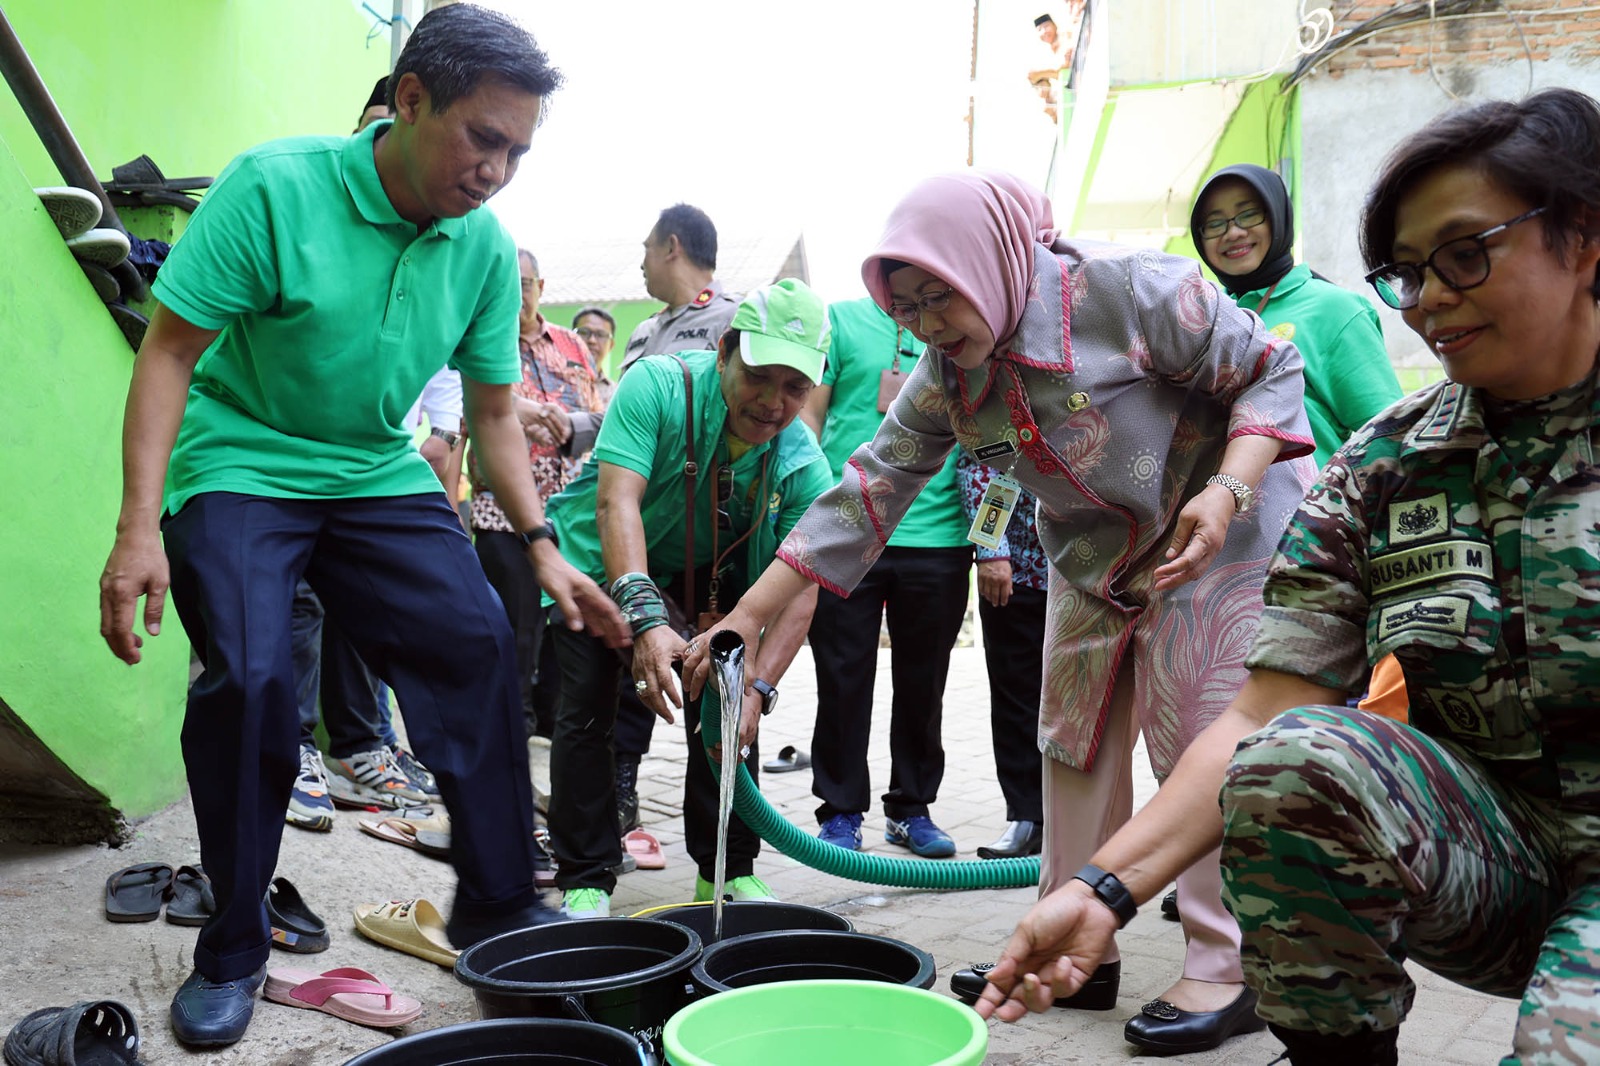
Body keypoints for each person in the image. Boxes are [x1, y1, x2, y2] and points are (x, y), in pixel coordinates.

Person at [970, 87, 1600, 1066]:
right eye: (1406, 272)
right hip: (1496, 863)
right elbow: (1257, 713)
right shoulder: (1388, 464)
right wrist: (1099, 890)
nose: (1430, 298)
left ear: (1583, 239)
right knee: (1291, 759)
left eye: (1466, 254)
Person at [685, 170, 1314, 1057]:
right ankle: (1073, 943)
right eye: (905, 308)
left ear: (986, 262)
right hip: (1095, 555)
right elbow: (870, 486)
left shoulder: (1128, 291)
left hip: (1221, 532)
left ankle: (1225, 962)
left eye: (938, 296)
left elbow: (1270, 369)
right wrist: (747, 619)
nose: (928, 323)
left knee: (1198, 739)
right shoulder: (946, 375)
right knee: (1070, 744)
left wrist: (1226, 489)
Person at [96, 5, 627, 1047]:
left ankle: (499, 902)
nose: (497, 171)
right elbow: (166, 354)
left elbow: (488, 416)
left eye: (518, 152)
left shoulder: (480, 249)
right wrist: (135, 529)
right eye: (483, 138)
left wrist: (543, 545)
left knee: (475, 640)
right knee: (250, 678)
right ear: (411, 101)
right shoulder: (275, 188)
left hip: (372, 466)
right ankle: (236, 941)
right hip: (243, 455)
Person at [544, 279, 834, 919]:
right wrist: (645, 620)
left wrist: (757, 690)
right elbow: (616, 500)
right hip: (606, 563)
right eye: (761, 375)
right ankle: (585, 873)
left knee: (732, 700)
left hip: (716, 587)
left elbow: (800, 592)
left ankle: (726, 870)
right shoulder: (657, 386)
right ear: (727, 350)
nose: (773, 402)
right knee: (590, 710)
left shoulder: (803, 462)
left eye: (795, 387)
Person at [800, 297, 972, 856]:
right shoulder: (843, 322)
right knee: (843, 676)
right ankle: (841, 810)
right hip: (850, 531)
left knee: (925, 682)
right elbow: (810, 419)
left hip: (938, 536)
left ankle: (912, 808)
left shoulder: (956, 328)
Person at [471, 249, 608, 739]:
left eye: (526, 283)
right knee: (512, 633)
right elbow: (470, 415)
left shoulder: (573, 345)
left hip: (566, 517)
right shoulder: (484, 339)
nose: (519, 293)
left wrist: (566, 424)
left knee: (563, 630)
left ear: (542, 287)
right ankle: (509, 730)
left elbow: (601, 416)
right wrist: (523, 413)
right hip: (500, 517)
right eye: (510, 284)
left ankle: (552, 730)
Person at [1190, 163, 1401, 470]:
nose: (1233, 232)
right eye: (1214, 223)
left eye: (1248, 214)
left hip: (1311, 513)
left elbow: (1389, 436)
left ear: (1278, 217)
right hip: (1214, 515)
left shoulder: (1334, 309)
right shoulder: (1206, 318)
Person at [958, 451, 1047, 859]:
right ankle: (1027, 817)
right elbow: (988, 465)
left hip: (1097, 573)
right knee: (1016, 699)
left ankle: (1088, 823)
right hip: (1020, 570)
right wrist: (992, 549)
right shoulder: (1010, 390)